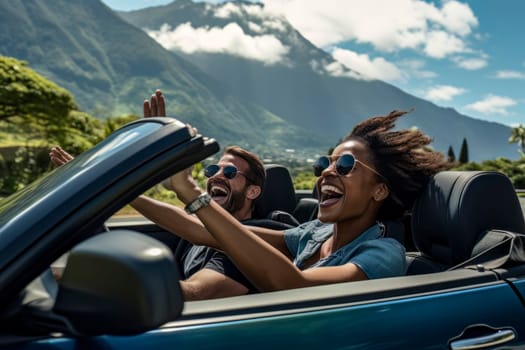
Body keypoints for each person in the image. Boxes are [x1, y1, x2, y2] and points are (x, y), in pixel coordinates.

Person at [163, 110, 451, 292]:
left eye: (346, 164)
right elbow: (203, 231)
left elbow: (293, 286)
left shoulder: (383, 254)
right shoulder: (314, 232)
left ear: (379, 190)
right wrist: (134, 182)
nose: (327, 171)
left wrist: (191, 190)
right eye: (327, 162)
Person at [50, 90, 281, 300]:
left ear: (253, 191)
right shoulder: (197, 230)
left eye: (230, 172)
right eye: (213, 170)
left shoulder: (253, 244)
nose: (216, 176)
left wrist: (79, 280)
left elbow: (195, 293)